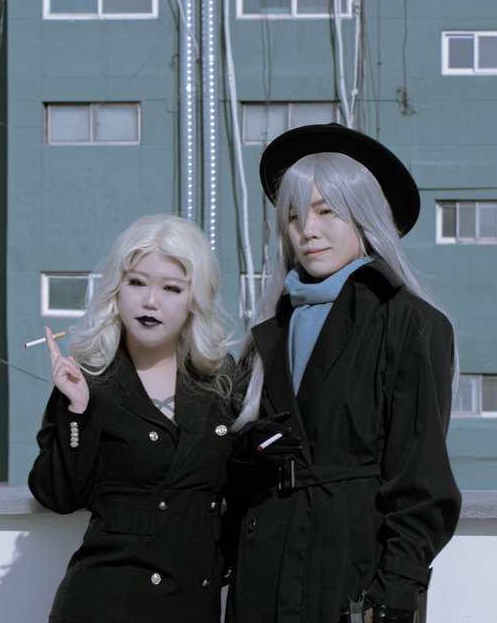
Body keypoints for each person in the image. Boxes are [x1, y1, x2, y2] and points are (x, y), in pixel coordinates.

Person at [224, 124, 462, 623]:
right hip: (263, 574)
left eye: (326, 211)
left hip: (354, 580)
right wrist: (249, 452)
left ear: (363, 215)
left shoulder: (410, 323)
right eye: (293, 216)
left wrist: (396, 592)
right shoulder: (269, 330)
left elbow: (422, 478)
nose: (307, 230)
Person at [28, 214, 238, 623]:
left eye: (171, 288)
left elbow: (245, 486)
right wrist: (77, 411)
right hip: (106, 602)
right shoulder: (90, 381)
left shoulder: (221, 381)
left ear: (194, 299)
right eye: (137, 282)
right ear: (116, 290)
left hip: (193, 603)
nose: (150, 301)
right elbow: (58, 496)